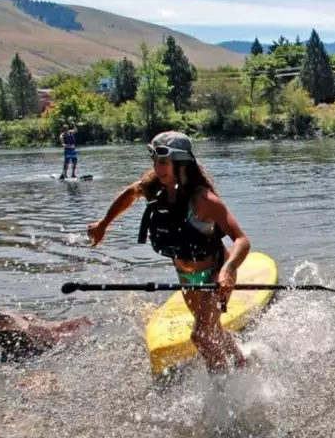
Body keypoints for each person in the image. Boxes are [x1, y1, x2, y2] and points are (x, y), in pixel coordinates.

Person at [87, 131, 251, 371]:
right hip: (186, 277)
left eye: (163, 162)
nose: (157, 167)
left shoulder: (204, 200)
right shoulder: (154, 188)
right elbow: (129, 194)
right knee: (210, 328)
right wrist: (104, 224)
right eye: (154, 161)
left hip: (216, 274)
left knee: (202, 335)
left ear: (181, 163)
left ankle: (223, 392)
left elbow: (242, 240)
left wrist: (228, 270)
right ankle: (241, 360)